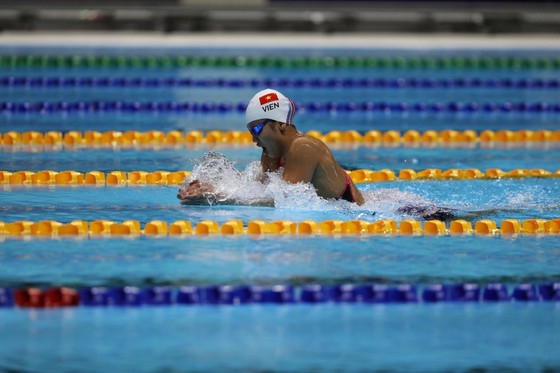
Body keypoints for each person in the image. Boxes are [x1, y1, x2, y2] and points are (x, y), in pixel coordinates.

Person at [177, 88, 365, 206]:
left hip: (359, 215)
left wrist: (218, 197)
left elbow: (285, 200)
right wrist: (208, 188)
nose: (254, 139)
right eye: (251, 132)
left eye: (257, 129)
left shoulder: (304, 147)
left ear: (281, 123)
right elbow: (253, 191)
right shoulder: (269, 156)